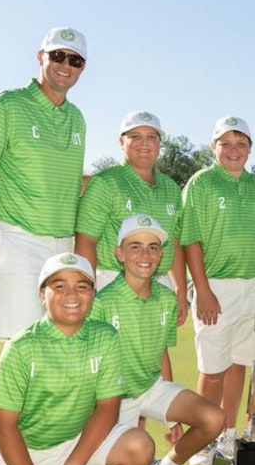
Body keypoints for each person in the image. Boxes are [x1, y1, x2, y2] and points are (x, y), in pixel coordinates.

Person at [0, 252, 154, 465]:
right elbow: (2, 427)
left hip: (76, 444)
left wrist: (75, 464)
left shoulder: (105, 336)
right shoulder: (21, 348)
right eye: (59, 286)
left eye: (82, 286)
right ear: (42, 294)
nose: (72, 295)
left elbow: (108, 408)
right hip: (27, 459)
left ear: (92, 293)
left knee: (139, 446)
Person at [88, 214, 224, 465]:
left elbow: (161, 352)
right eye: (135, 246)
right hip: (114, 399)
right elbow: (90, 369)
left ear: (162, 254)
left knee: (214, 419)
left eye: (153, 247)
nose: (145, 255)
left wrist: (172, 418)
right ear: (119, 253)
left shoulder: (165, 298)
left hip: (151, 387)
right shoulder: (102, 302)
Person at [0, 27, 88, 341]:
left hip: (64, 247)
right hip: (18, 243)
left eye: (75, 60)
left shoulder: (77, 118)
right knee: (22, 351)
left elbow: (69, 184)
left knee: (60, 349)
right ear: (40, 57)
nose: (66, 65)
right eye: (58, 55)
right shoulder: (7, 105)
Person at [181, 116, 255, 465]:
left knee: (241, 363)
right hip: (215, 286)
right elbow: (190, 239)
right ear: (214, 148)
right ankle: (202, 438)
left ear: (250, 149)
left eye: (241, 144)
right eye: (226, 143)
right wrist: (202, 290)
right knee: (212, 369)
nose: (234, 150)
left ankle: (227, 431)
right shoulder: (201, 184)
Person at [75, 111, 188, 324]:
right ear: (121, 141)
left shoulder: (171, 188)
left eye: (151, 137)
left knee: (155, 352)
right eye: (135, 136)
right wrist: (86, 288)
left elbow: (173, 242)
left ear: (159, 143)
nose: (144, 143)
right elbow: (86, 240)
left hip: (160, 283)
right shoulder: (105, 182)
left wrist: (180, 290)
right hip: (114, 281)